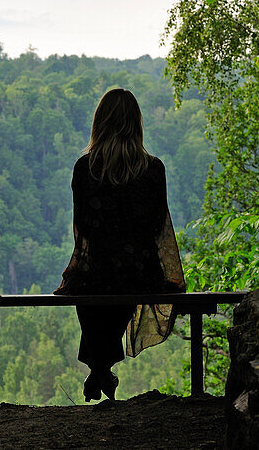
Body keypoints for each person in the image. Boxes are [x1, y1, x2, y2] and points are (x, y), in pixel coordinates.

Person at [54, 87, 186, 402]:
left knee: (86, 287)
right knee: (119, 287)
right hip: (139, 271)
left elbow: (82, 228)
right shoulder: (153, 169)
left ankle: (99, 370)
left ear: (99, 123)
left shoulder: (84, 168)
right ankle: (101, 370)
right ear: (136, 124)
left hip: (97, 271)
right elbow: (158, 227)